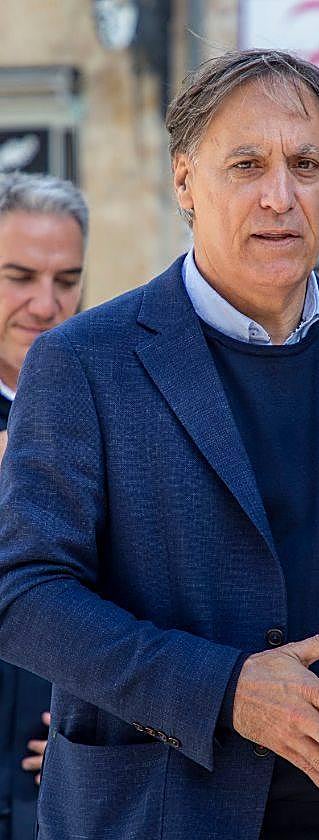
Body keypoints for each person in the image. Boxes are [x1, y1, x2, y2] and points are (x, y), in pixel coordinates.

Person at [0, 50, 319, 840]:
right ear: (185, 181)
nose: (279, 196)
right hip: (158, 811)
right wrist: (225, 690)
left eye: (305, 164)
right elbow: (26, 594)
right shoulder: (83, 361)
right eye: (247, 164)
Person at [0, 172, 87, 840]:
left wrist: (106, 708)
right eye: (19, 276)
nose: (44, 303)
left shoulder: (116, 409)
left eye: (66, 280)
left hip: (64, 783)